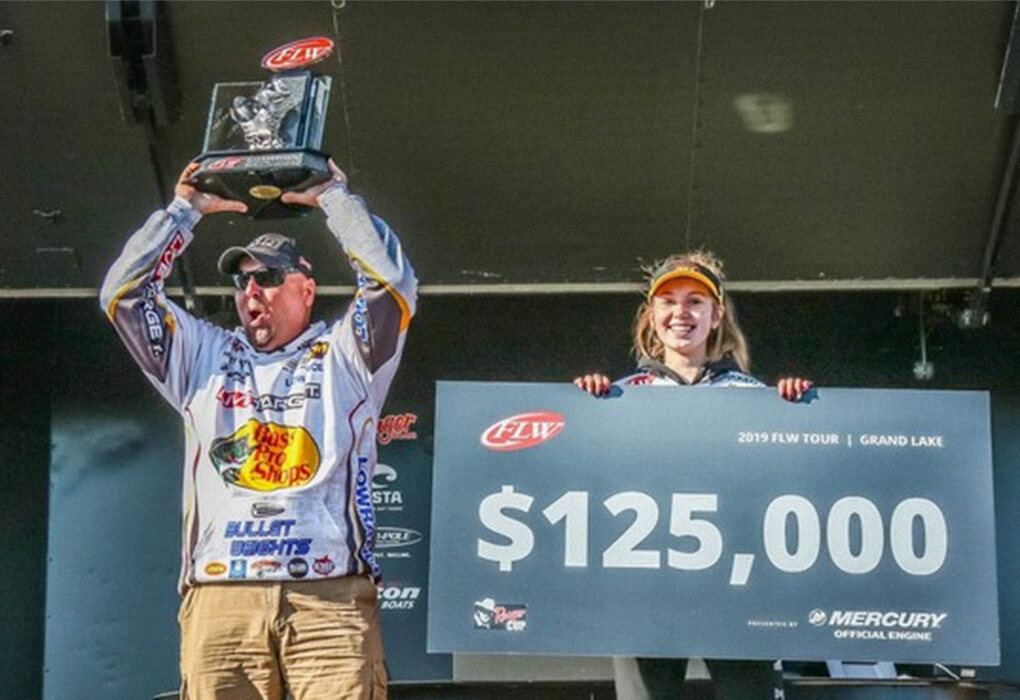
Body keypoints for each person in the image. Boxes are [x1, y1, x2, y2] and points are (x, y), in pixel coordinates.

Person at [100, 159, 417, 700]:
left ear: (307, 289)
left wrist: (335, 201)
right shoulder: (203, 355)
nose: (252, 292)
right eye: (242, 280)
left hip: (328, 596)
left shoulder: (344, 355)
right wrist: (184, 211)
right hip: (223, 596)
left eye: (269, 277)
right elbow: (123, 296)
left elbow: (390, 285)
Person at [574, 251, 810, 700]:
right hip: (645, 586)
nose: (681, 313)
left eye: (695, 301)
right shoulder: (620, 394)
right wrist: (585, 410)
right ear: (651, 314)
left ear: (716, 314)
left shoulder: (752, 395)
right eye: (668, 301)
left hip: (739, 585)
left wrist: (795, 413)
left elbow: (786, 478)